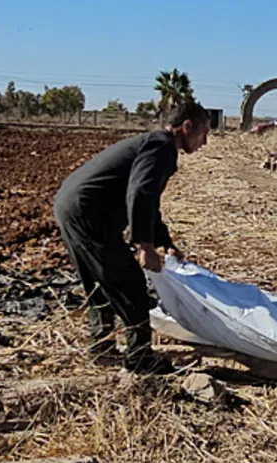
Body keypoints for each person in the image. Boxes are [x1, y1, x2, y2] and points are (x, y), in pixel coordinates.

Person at [54, 100, 210, 374]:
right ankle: (140, 358)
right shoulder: (162, 147)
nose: (205, 142)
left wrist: (165, 242)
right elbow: (139, 194)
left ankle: (100, 348)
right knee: (131, 284)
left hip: (71, 205)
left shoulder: (154, 143)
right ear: (186, 127)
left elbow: (148, 201)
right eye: (203, 133)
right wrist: (145, 245)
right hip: (89, 212)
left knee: (99, 281)